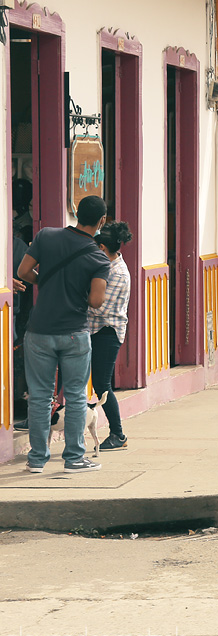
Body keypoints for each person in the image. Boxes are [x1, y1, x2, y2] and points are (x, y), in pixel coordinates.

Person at [15, 194, 112, 473]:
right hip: (74, 333)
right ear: (102, 221)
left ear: (76, 214)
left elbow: (23, 271)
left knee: (40, 397)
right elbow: (95, 301)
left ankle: (36, 459)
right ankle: (73, 458)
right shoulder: (98, 258)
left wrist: (44, 283)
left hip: (38, 332)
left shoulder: (46, 236)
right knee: (76, 395)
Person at [87, 220, 133, 451]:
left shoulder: (118, 273)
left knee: (102, 384)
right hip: (96, 330)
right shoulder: (106, 265)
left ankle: (118, 434)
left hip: (107, 332)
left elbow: (100, 308)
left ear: (103, 248)